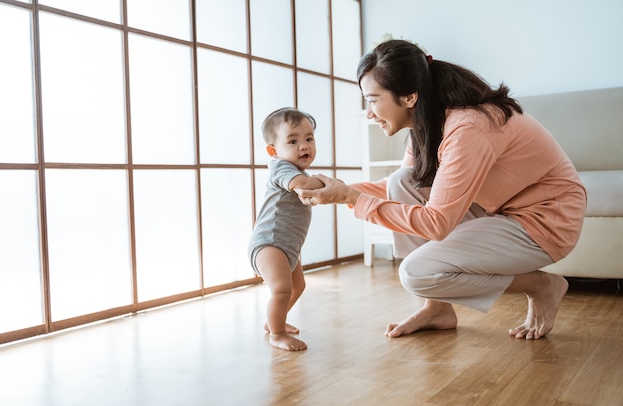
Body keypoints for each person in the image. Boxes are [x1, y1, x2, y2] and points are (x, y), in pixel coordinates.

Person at [295, 40, 587, 340]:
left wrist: (350, 198)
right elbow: (398, 187)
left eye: (372, 100)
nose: (369, 113)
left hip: (545, 220)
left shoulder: (468, 128)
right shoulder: (430, 120)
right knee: (401, 181)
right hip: (501, 210)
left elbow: (436, 223)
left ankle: (541, 285)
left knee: (417, 273)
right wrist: (336, 189)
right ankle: (437, 309)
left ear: (408, 97)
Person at [248, 107, 324, 351]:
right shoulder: (281, 167)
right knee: (282, 289)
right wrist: (328, 182)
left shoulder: (298, 170)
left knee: (297, 287)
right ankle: (277, 334)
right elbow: (302, 185)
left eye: (309, 139)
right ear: (273, 150)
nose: (304, 146)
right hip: (270, 243)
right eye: (293, 140)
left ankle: (274, 321)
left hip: (288, 246)